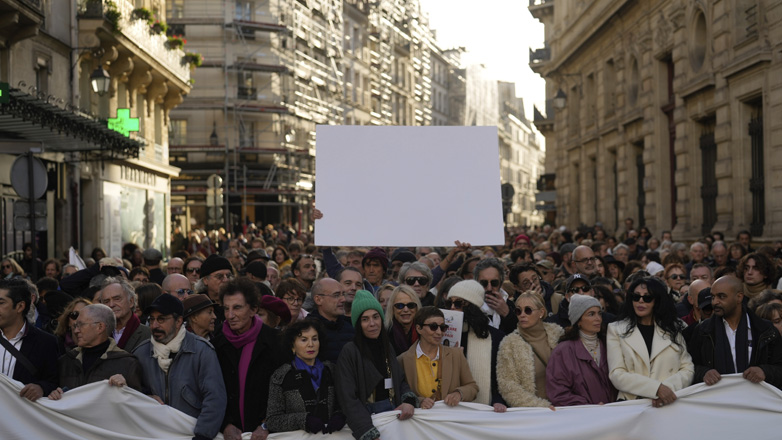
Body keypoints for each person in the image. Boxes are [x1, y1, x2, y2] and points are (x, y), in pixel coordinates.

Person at [133, 294, 227, 440]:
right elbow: (134, 394)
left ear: (178, 321)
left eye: (161, 319)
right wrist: (145, 397)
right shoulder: (141, 353)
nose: (155, 325)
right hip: (154, 434)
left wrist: (202, 435)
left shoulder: (201, 351)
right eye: (152, 319)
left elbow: (214, 398)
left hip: (191, 434)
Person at [335, 290, 417, 440]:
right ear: (358, 324)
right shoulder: (350, 352)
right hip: (369, 419)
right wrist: (367, 431)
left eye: (375, 317)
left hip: (394, 415)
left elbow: (400, 380)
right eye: (365, 319)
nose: (372, 323)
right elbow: (348, 398)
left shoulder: (387, 346)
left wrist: (408, 401)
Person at [213, 278, 284, 440]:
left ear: (253, 310)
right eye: (226, 309)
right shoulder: (217, 344)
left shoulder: (275, 341)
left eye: (237, 307)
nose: (230, 315)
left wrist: (267, 424)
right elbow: (212, 392)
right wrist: (226, 424)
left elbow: (284, 390)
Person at [606, 277, 693, 406]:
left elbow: (688, 368)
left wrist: (666, 389)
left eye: (647, 298)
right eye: (636, 297)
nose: (640, 301)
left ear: (657, 301)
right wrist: (656, 389)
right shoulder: (616, 329)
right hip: (632, 405)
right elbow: (617, 374)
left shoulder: (675, 328)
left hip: (669, 402)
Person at [687, 275, 782, 390]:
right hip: (717, 400)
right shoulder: (702, 331)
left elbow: (779, 367)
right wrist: (704, 373)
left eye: (721, 296)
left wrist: (764, 371)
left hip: (757, 400)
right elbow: (690, 367)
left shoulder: (765, 330)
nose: (715, 302)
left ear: (739, 297)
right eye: (713, 297)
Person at [266, 320, 346, 434]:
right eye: (304, 340)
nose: (311, 344)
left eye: (314, 339)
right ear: (292, 345)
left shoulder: (332, 370)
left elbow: (345, 404)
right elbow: (272, 420)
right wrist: (304, 420)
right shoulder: (281, 376)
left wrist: (340, 415)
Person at [49, 304, 143, 399]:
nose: (76, 330)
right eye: (75, 326)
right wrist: (53, 394)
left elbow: (136, 406)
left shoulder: (127, 364)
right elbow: (51, 390)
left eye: (80, 325)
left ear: (100, 327)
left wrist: (126, 389)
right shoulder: (66, 361)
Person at [397, 306, 478, 409]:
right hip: (420, 421)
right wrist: (420, 401)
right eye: (433, 327)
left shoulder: (456, 355)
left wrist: (459, 394)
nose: (439, 332)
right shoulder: (402, 360)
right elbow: (400, 394)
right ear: (419, 328)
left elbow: (472, 387)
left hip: (450, 419)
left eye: (443, 327)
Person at [445, 280, 507, 411]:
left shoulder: (496, 337)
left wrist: (498, 401)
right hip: (448, 407)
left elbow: (501, 378)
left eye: (458, 303)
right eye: (449, 303)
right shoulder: (439, 335)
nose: (452, 308)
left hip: (485, 409)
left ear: (472, 307)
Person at [546, 295, 616, 406]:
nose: (598, 318)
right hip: (583, 418)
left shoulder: (610, 344)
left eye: (599, 313)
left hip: (616, 416)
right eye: (591, 314)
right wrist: (588, 406)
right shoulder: (562, 352)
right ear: (578, 320)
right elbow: (558, 392)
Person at [497, 291, 564, 408]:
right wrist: (540, 406)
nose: (522, 315)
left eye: (528, 310)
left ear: (541, 312)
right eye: (518, 311)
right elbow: (508, 386)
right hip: (532, 414)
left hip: (564, 408)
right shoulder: (509, 344)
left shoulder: (559, 335)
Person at [0, 279, 59, 401]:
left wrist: (41, 388)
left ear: (20, 306)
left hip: (20, 416)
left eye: (1, 303)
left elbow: (54, 382)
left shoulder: (46, 343)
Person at [98, 277, 152, 352]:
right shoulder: (99, 334)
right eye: (106, 301)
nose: (111, 304)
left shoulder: (148, 334)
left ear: (131, 301)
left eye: (117, 299)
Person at [310, 278, 354, 363]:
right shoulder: (307, 329)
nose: (343, 299)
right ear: (318, 299)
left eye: (343, 294)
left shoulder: (351, 327)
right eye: (336, 295)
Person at [474, 258, 518, 335]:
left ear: (501, 282)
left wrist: (507, 314)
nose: (489, 288)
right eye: (484, 283)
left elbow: (519, 335)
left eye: (494, 283)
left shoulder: (511, 305)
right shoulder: (467, 305)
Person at [385, 285, 422, 356]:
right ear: (392, 309)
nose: (406, 310)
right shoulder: (384, 335)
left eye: (411, 305)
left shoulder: (425, 333)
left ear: (417, 308)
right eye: (400, 306)